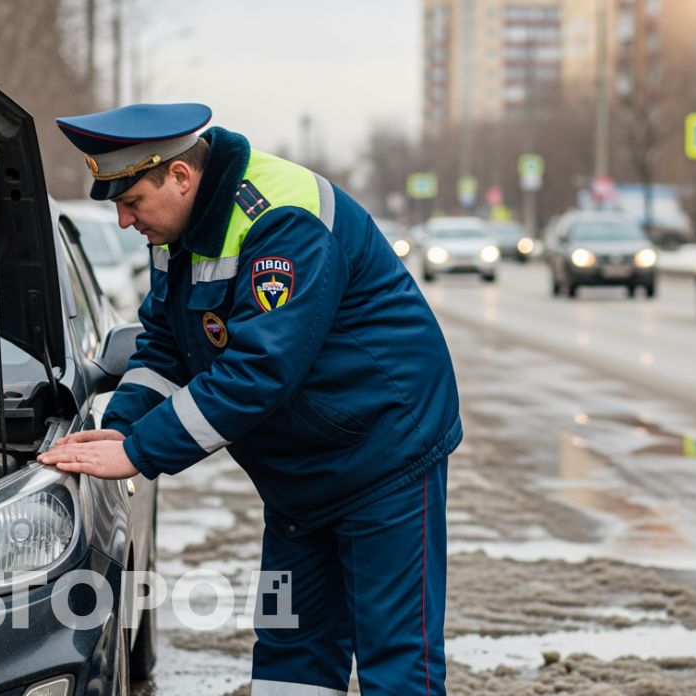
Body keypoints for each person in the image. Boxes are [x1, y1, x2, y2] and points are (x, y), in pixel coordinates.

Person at [39, 102, 461, 695]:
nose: (128, 222)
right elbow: (165, 345)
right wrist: (122, 426)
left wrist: (141, 451)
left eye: (132, 203)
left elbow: (260, 370)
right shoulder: (178, 226)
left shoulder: (283, 220)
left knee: (396, 661)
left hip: (383, 457)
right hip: (297, 476)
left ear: (180, 177)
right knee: (290, 649)